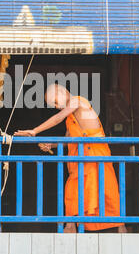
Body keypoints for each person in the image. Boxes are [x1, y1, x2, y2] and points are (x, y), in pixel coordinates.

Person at [14, 83, 126, 234]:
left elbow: (57, 118)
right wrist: (52, 145)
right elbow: (69, 139)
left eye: (55, 101)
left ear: (63, 92)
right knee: (73, 190)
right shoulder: (71, 117)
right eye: (52, 104)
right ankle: (70, 225)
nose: (56, 106)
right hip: (80, 160)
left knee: (106, 191)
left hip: (95, 154)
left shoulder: (78, 101)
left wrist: (34, 131)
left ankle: (120, 227)